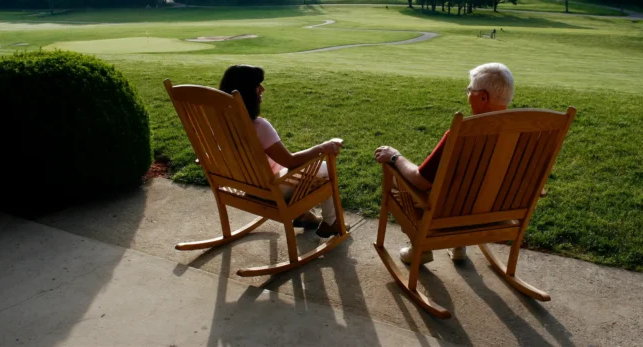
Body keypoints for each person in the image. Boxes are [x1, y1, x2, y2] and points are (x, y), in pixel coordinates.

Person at [374, 63, 515, 265]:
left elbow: (421, 181)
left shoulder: (463, 134)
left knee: (398, 181)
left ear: (483, 97)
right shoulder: (530, 133)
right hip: (496, 215)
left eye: (470, 90)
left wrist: (395, 157)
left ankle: (419, 249)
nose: (468, 95)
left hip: (450, 216)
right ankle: (458, 246)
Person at [219, 65, 349, 238]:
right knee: (325, 168)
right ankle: (331, 222)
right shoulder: (258, 127)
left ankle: (304, 216)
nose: (262, 89)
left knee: (296, 169)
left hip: (242, 186)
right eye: (258, 86)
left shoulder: (219, 122)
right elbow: (290, 161)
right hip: (270, 191)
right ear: (246, 92)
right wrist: (323, 147)